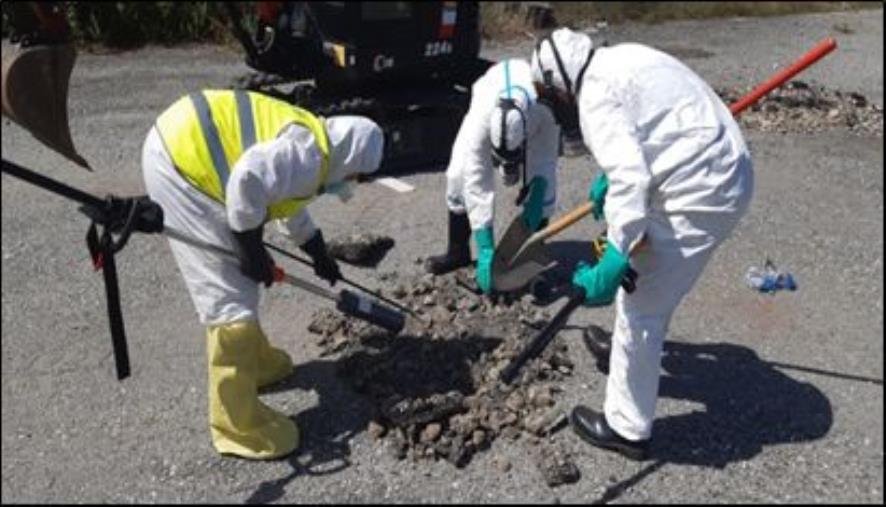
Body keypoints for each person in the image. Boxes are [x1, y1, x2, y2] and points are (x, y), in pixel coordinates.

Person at [531, 28, 753, 460]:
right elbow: (644, 134)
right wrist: (611, 184)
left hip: (702, 191)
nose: (554, 107)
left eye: (549, 96)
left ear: (560, 86)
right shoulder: (619, 58)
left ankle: (627, 428)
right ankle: (623, 351)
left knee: (642, 303)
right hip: (713, 168)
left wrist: (613, 257)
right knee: (639, 264)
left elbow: (631, 179)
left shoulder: (593, 98)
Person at [141, 88, 384, 460]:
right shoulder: (309, 155)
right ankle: (236, 427)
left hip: (183, 143)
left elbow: (284, 195)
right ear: (351, 159)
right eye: (357, 176)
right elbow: (248, 180)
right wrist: (251, 251)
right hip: (181, 163)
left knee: (242, 281)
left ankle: (254, 363)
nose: (352, 183)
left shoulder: (317, 148)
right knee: (230, 300)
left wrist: (317, 251)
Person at [425, 58, 561, 294]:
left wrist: (538, 196)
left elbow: (545, 161)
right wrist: (485, 246)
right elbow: (476, 179)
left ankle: (528, 257)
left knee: (543, 192)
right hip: (488, 95)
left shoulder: (545, 109)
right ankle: (457, 252)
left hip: (533, 119)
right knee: (458, 175)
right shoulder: (482, 118)